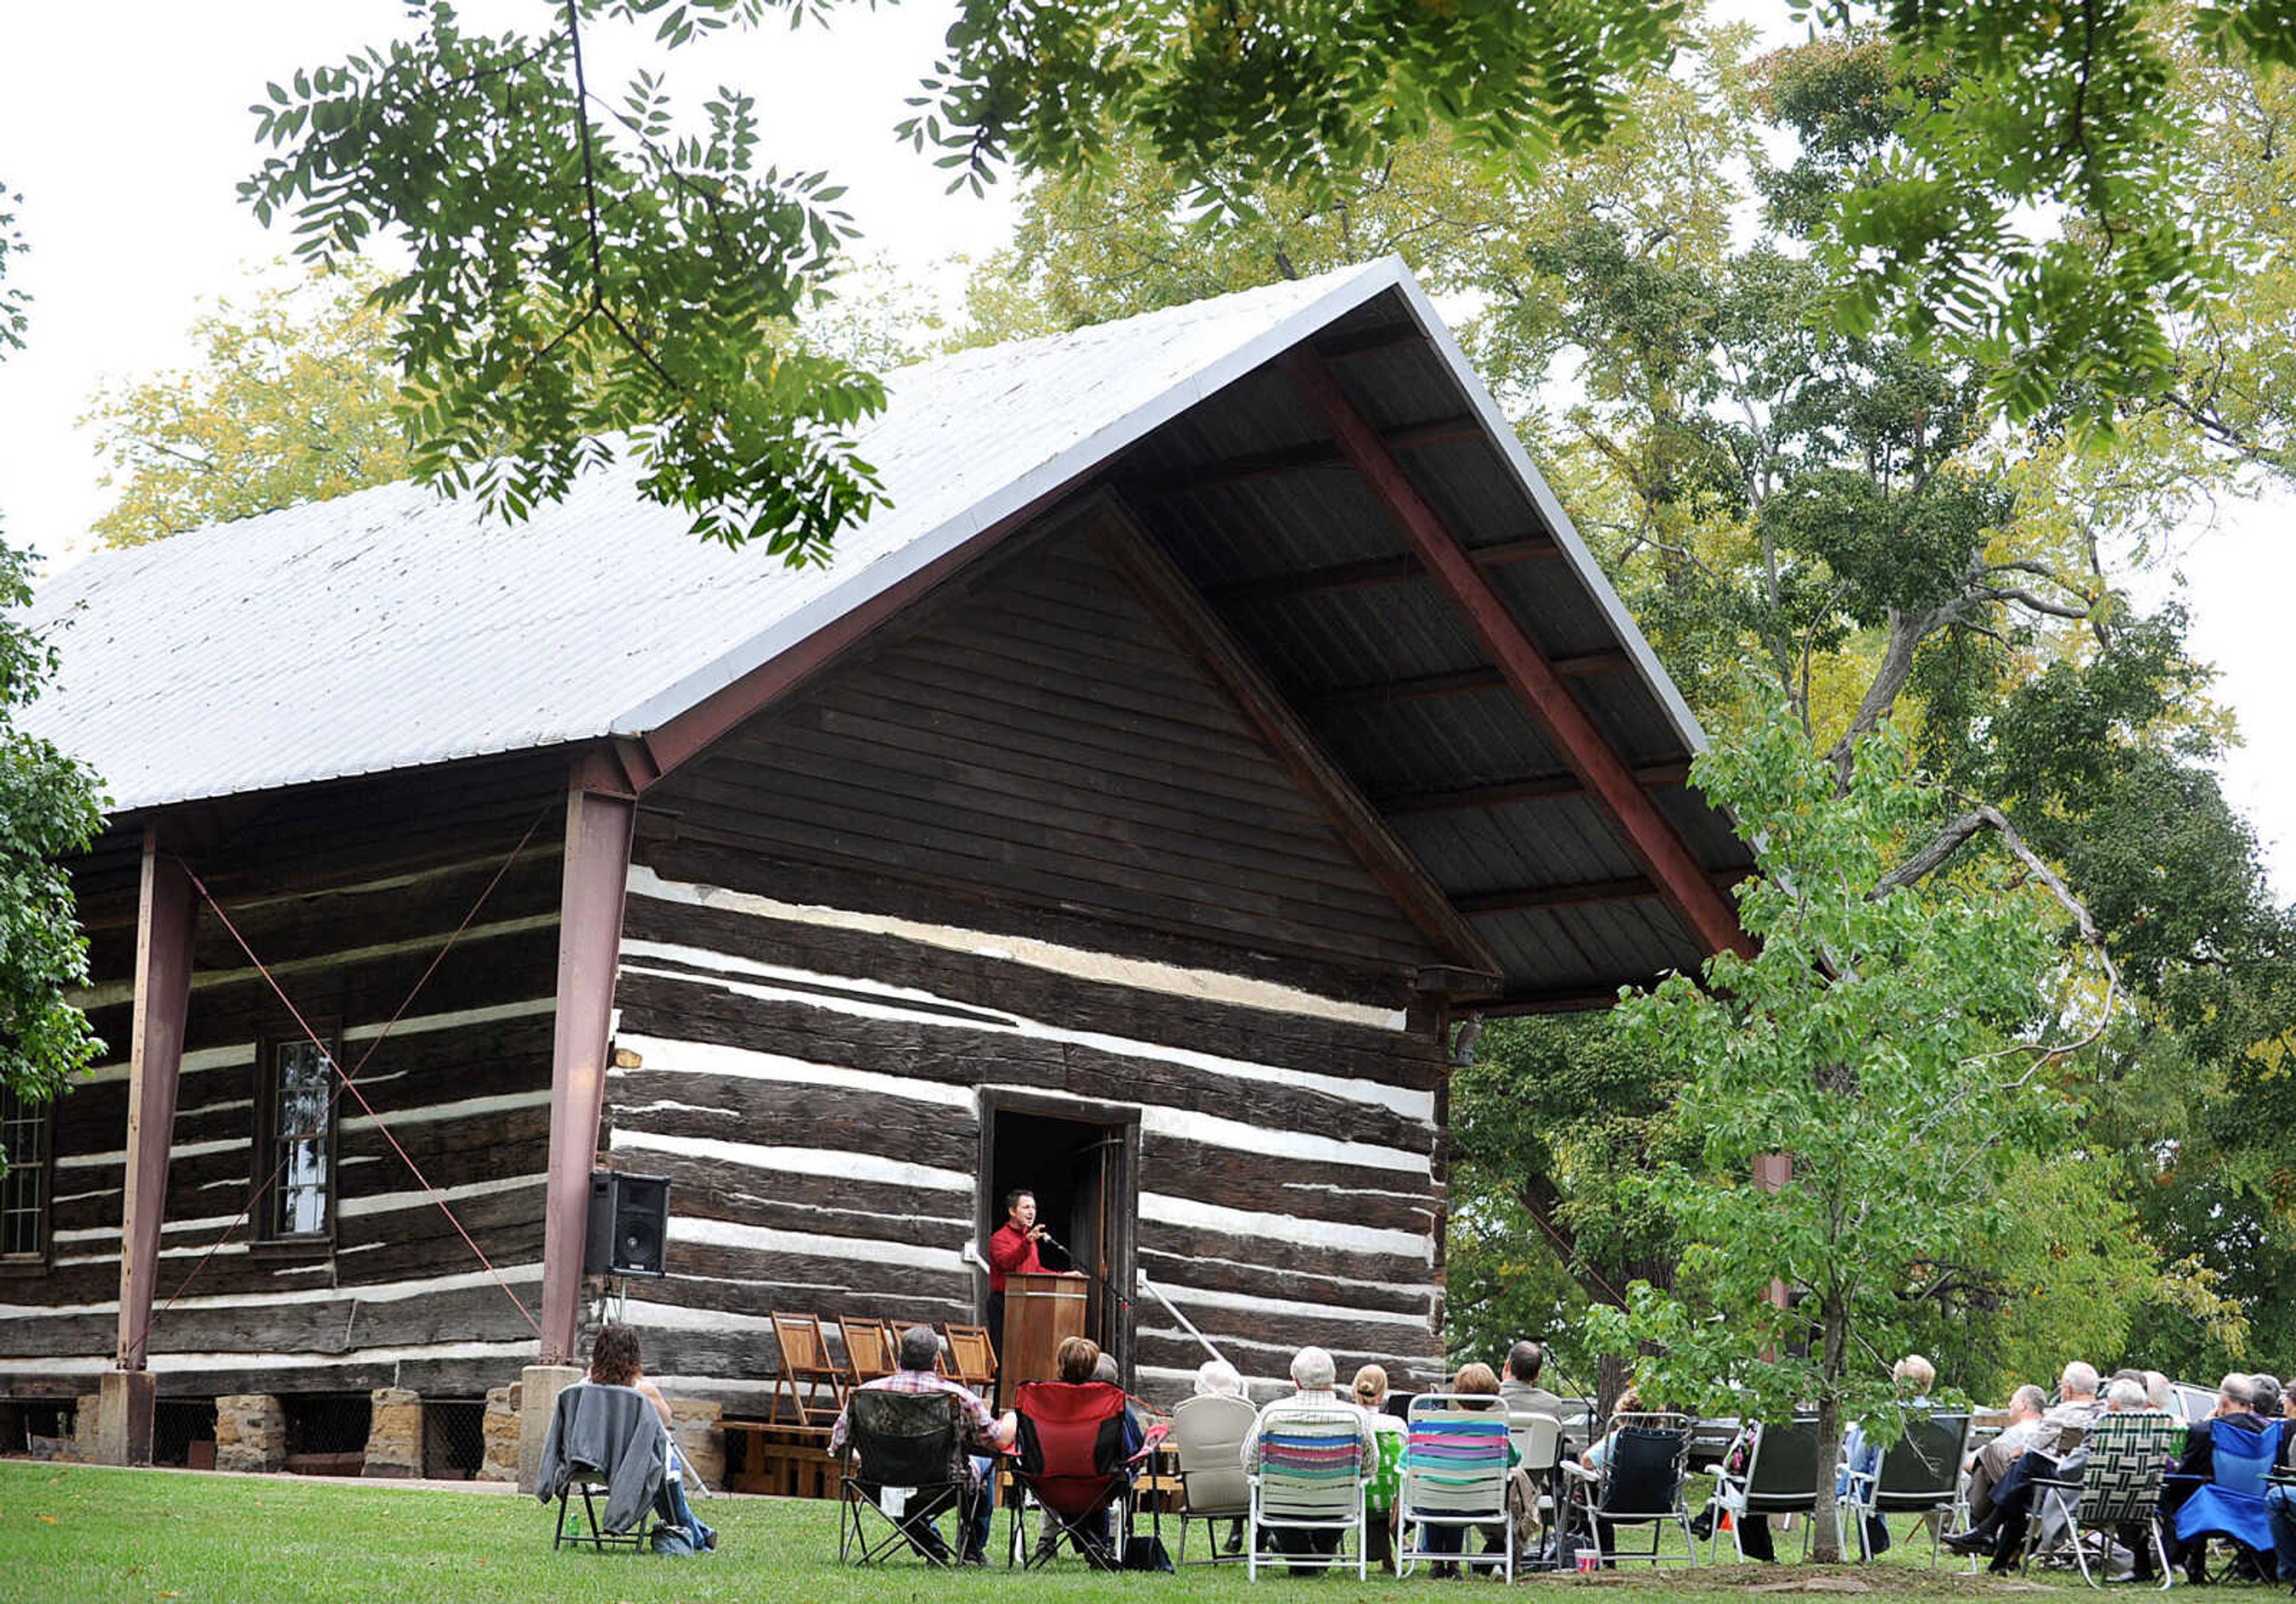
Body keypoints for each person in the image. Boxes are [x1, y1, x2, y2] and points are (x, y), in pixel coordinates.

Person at [829, 1322, 1016, 1565]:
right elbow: (997, 1441)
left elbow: (838, 1447)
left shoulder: (863, 1395)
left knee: (899, 1477)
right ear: (936, 1361)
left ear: (899, 1359)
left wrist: (867, 1460)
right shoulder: (958, 1397)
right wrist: (1012, 1418)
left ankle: (932, 1547)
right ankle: (971, 1550)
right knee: (984, 1463)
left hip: (878, 1483)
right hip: (943, 1485)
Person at [1949, 1374, 2147, 1573]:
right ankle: (1997, 1559)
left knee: (2028, 1467)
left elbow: (2071, 1468)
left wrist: (2060, 1464)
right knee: (2019, 1487)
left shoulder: (2104, 1426)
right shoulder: (2152, 1432)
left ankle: (1986, 1531)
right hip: (2137, 1500)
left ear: (2113, 1406)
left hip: (2086, 1499)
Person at [572, 1322, 716, 1554]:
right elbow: (666, 1420)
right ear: (634, 1357)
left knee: (657, 1470)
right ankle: (700, 1537)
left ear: (597, 1353)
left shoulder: (581, 1388)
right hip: (634, 1467)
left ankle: (702, 1532)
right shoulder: (642, 1391)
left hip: (591, 1463)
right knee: (661, 1467)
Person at [1242, 1345, 1378, 1575]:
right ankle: (1319, 1554)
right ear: (1333, 1379)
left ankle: (1300, 1558)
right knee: (1343, 1494)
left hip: (1282, 1505)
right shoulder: (1356, 1417)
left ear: (1296, 1380)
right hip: (1337, 1506)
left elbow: (1249, 1464)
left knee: (1274, 1497)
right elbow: (1370, 1466)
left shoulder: (1272, 1413)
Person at [1411, 1361, 1521, 1576]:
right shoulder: (1497, 1430)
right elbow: (1514, 1459)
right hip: (1478, 1505)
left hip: (1432, 1503)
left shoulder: (1432, 1425)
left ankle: (1437, 1562)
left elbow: (1409, 1460)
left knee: (1441, 1491)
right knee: (1458, 1496)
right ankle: (1453, 1563)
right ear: (1491, 1396)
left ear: (1457, 1392)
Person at [2160, 1371, 2269, 1584]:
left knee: (2176, 1490)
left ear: (2224, 1400)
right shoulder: (2267, 1432)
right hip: (2254, 1509)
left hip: (2213, 1509)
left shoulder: (2205, 1430)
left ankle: (2177, 1558)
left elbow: (2185, 1474)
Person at [1837, 1354, 1938, 1558]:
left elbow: (1858, 1464)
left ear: (1898, 1382)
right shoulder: (1945, 1418)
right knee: (1865, 1480)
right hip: (1933, 1495)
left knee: (1858, 1481)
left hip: (1885, 1495)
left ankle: (1870, 1545)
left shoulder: (1879, 1417)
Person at [984, 1187, 1049, 1359]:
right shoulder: (1000, 1238)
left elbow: (1034, 1270)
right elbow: (1007, 1263)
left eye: (1033, 1208)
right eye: (1026, 1207)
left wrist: (1063, 1276)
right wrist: (1026, 1244)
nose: (1031, 1212)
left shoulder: (1030, 1239)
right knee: (1005, 1358)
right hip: (1005, 1302)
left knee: (1025, 1357)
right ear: (1012, 1211)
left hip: (1026, 1303)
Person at [1353, 1364, 1406, 1571]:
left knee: (1370, 1490)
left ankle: (1382, 1554)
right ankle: (1391, 1554)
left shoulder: (1349, 1421)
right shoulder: (1397, 1425)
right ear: (1383, 1394)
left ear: (1354, 1389)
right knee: (1384, 1487)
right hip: (1394, 1505)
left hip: (1356, 1501)